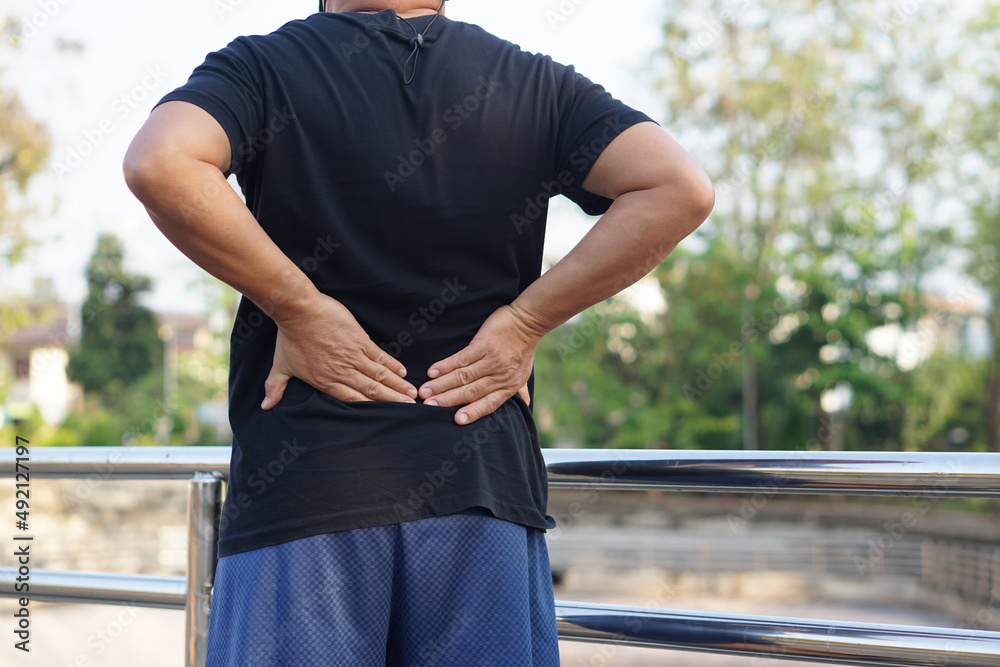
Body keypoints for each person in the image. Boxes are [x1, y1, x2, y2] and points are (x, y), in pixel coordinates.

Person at [123, 0, 714, 664]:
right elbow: (678, 186)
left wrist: (300, 308)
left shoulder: (265, 67)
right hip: (477, 487)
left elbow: (161, 161)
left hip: (309, 491)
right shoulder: (530, 81)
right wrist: (526, 323)